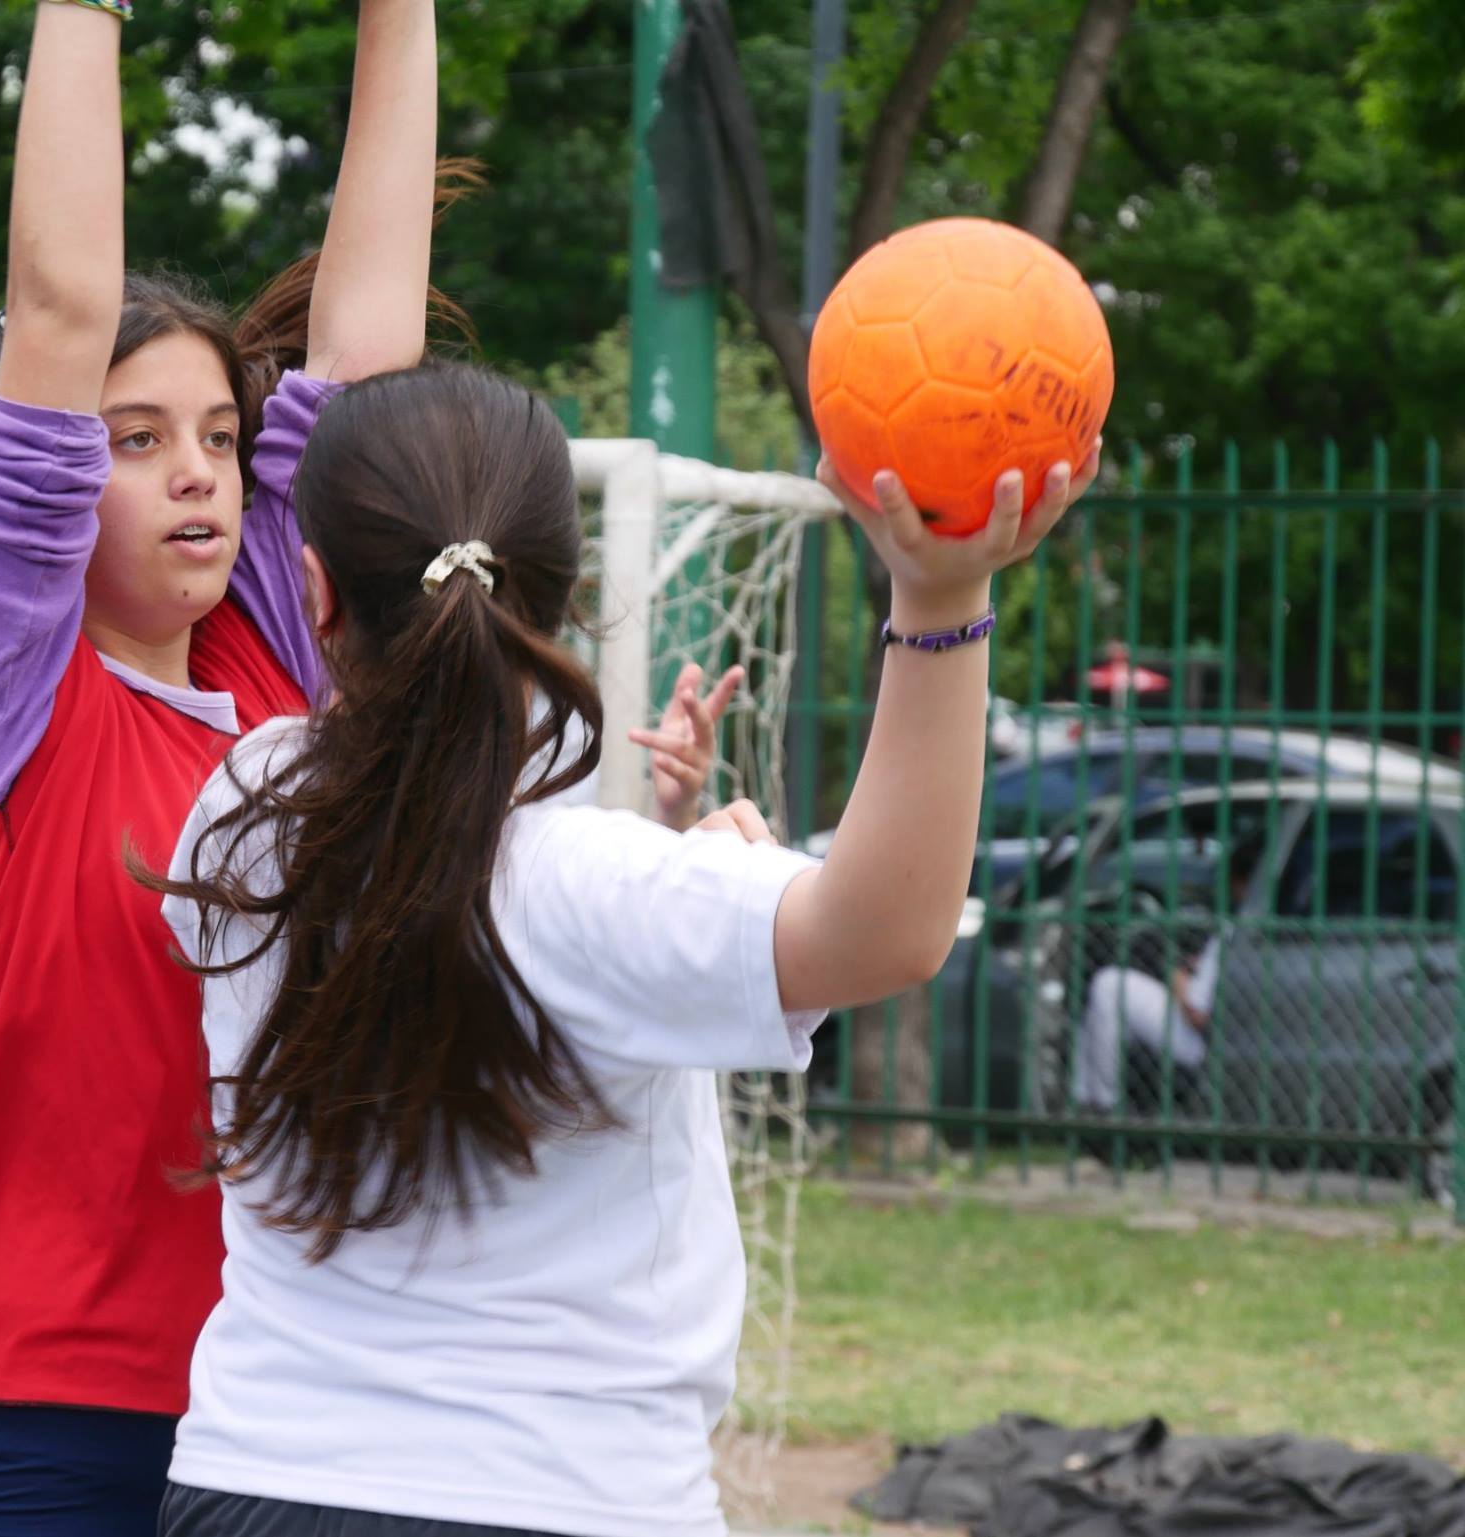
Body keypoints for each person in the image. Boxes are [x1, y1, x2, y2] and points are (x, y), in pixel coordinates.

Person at [0, 2, 724, 1533]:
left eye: (219, 435)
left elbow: (363, 364)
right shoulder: (3, 699)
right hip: (56, 1410)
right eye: (134, 440)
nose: (196, 472)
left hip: (280, 1416)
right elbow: (59, 311)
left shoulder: (279, 674)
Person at [155, 366, 1100, 1537]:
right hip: (562, 1496)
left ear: (313, 591)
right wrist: (940, 595)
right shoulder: (598, 893)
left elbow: (439, 906)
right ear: (568, 594)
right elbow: (889, 932)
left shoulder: (242, 810)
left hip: (253, 1479)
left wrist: (676, 885)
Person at [1073, 847, 1258, 1118]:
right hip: (1218, 1035)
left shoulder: (1236, 930)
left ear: (1241, 883)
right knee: (1102, 1008)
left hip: (1200, 1042)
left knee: (1108, 985)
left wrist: (1178, 977)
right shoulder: (1249, 928)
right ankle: (1083, 1098)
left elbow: (1197, 1014)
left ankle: (1104, 1104)